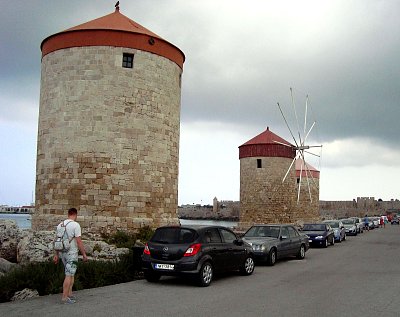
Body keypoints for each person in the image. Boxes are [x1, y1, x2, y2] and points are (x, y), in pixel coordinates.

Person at [53, 207, 88, 304]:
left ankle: (69, 294)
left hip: (62, 253)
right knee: (69, 275)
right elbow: (79, 241)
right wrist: (84, 254)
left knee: (71, 273)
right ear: (75, 214)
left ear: (68, 214)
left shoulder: (60, 225)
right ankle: (64, 297)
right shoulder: (75, 225)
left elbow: (56, 240)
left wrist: (56, 254)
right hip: (72, 253)